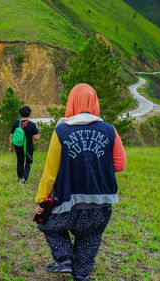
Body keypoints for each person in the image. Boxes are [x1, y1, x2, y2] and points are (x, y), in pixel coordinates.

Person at [34, 83, 126, 281]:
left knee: (49, 226)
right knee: (90, 239)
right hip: (100, 204)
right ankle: (82, 275)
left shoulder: (61, 132)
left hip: (68, 202)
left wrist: (42, 200)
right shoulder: (110, 130)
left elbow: (50, 172)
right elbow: (119, 165)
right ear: (95, 103)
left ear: (71, 103)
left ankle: (64, 259)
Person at [9, 106, 41, 183]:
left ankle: (19, 178)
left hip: (18, 146)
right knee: (28, 163)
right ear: (29, 114)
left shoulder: (16, 123)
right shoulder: (32, 125)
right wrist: (39, 134)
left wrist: (10, 146)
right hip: (28, 147)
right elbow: (36, 138)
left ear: (20, 113)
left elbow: (11, 136)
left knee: (20, 162)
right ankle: (24, 178)